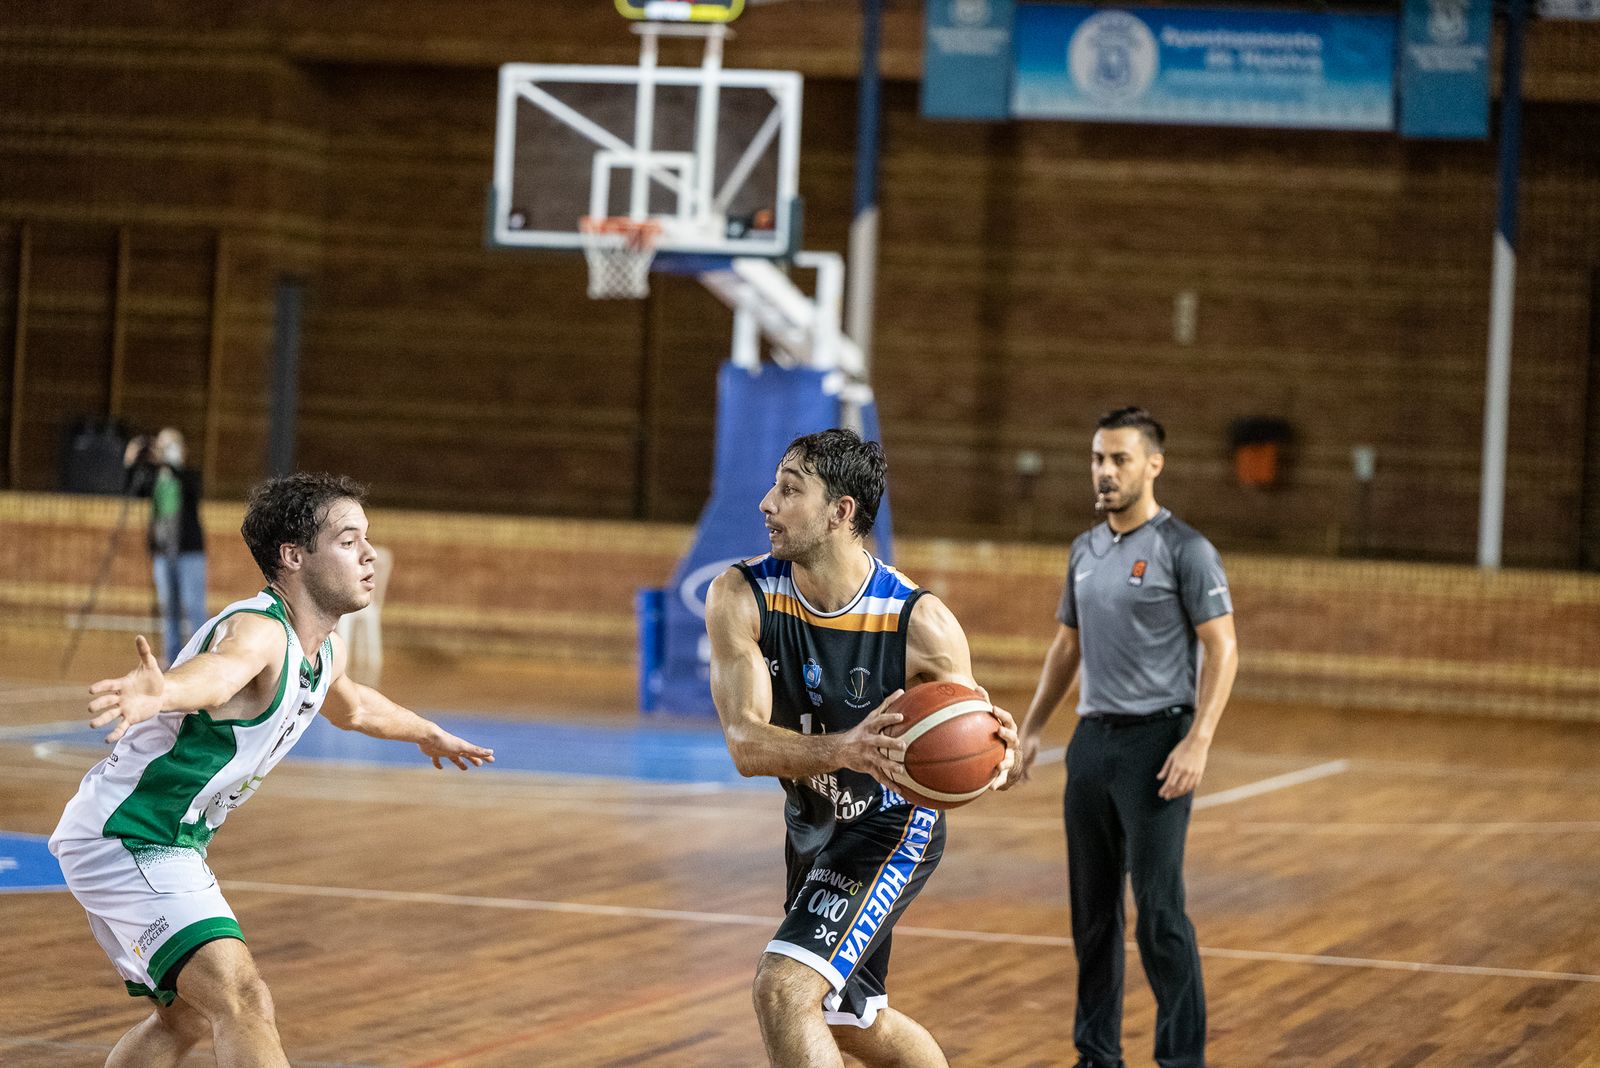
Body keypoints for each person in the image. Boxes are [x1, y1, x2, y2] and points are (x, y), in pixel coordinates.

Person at [49, 472, 495, 1068]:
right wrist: (163, 692)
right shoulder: (261, 632)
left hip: (165, 839)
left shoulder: (322, 650)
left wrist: (427, 732)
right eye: (347, 540)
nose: (368, 554)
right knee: (244, 999)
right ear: (293, 557)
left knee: (183, 1018)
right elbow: (221, 673)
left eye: (367, 538)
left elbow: (356, 705)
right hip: (131, 834)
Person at [705, 428, 1018, 1068]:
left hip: (891, 827)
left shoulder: (919, 623)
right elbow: (744, 744)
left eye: (790, 490)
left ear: (840, 512)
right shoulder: (742, 596)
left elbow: (971, 741)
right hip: (813, 823)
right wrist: (845, 748)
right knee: (852, 1024)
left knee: (783, 989)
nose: (766, 503)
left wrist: (996, 757)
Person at [1005, 407, 1239, 1068]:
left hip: (1157, 746)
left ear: (1153, 465)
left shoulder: (1185, 550)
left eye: (1119, 460)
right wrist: (1031, 730)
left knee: (1160, 918)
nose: (1104, 473)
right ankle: (1096, 1056)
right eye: (1097, 460)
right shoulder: (1084, 549)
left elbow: (1222, 649)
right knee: (1093, 918)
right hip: (1091, 746)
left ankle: (1180, 1059)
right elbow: (1065, 646)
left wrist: (1198, 741)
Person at [124, 428, 207, 666]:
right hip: (162, 553)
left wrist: (166, 462)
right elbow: (133, 490)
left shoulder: (188, 475)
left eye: (170, 445)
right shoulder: (155, 479)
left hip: (189, 552)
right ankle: (172, 660)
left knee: (193, 607)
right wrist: (131, 461)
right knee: (168, 609)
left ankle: (201, 659)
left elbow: (189, 484)